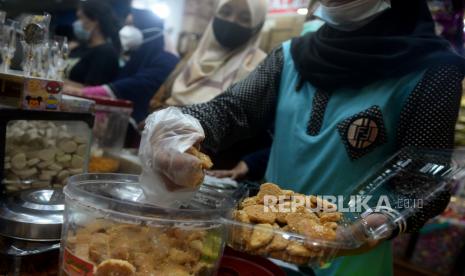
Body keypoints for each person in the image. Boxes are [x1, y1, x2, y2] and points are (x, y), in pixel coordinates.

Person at [142, 0, 465, 275]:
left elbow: (425, 185)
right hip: (265, 244)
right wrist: (182, 126)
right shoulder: (291, 56)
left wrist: (379, 223)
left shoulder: (432, 72)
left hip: (352, 258)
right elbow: (231, 110)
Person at [65, 6, 179, 124]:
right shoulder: (137, 58)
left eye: (131, 25)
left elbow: (133, 86)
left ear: (148, 28)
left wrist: (81, 92)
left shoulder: (167, 60)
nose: (126, 29)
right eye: (126, 25)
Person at [149, 0, 268, 110]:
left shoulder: (260, 68)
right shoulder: (193, 57)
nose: (231, 21)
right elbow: (158, 100)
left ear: (257, 27)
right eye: (225, 12)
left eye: (245, 19)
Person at [66, 0, 120, 86]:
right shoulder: (79, 47)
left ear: (95, 20)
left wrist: (59, 83)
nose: (76, 23)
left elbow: (92, 90)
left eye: (80, 18)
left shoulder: (105, 52)